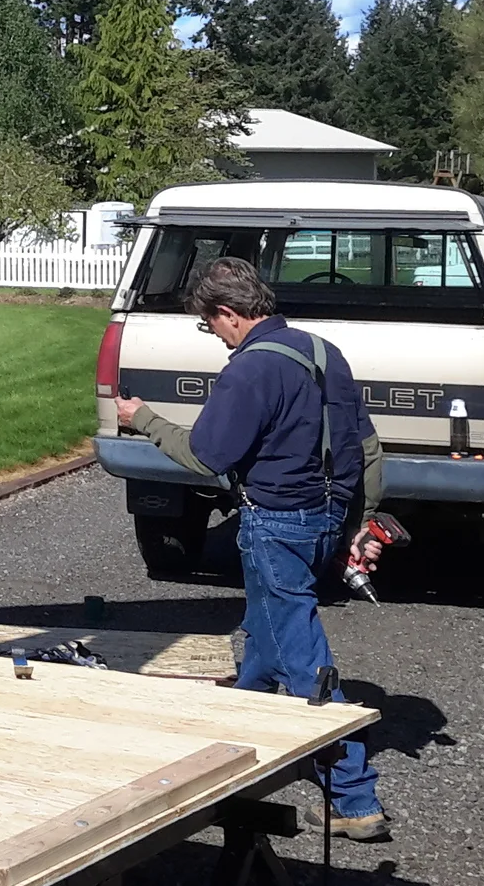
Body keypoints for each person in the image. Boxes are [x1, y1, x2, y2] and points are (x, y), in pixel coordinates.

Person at [115, 256, 391, 841]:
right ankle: (229, 754)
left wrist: (145, 420)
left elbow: (208, 456)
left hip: (276, 525)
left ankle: (353, 796)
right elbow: (365, 447)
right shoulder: (323, 352)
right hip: (328, 518)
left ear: (228, 313)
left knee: (301, 660)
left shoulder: (248, 371)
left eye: (209, 324)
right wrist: (359, 525)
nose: (213, 335)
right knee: (266, 642)